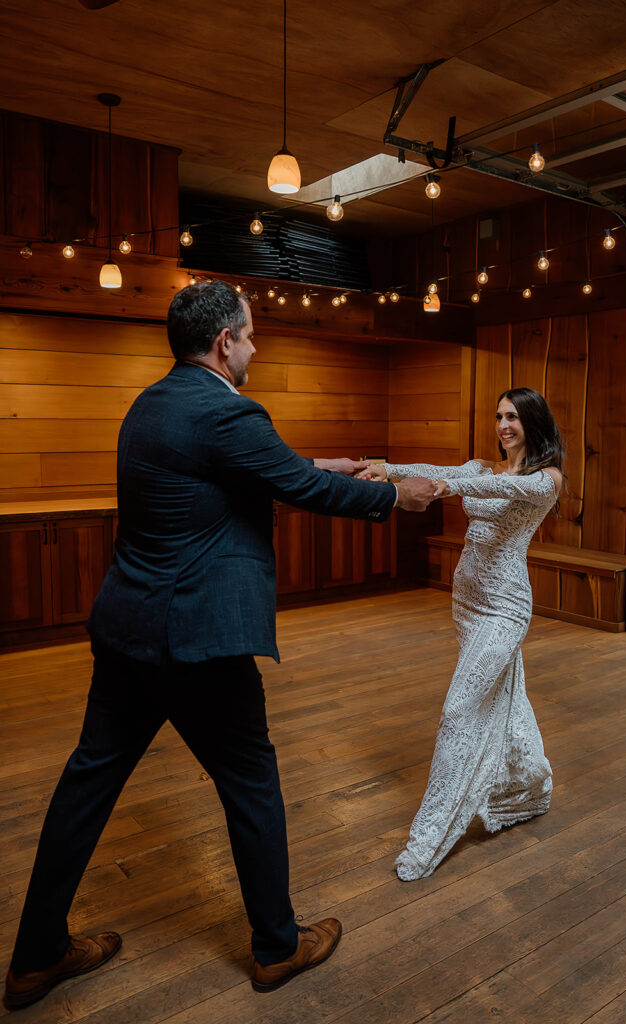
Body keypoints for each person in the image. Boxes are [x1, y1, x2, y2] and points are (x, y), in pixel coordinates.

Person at [3, 282, 436, 1010]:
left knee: (87, 787)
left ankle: (35, 957)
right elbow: (293, 483)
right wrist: (396, 497)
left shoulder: (152, 404)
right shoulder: (227, 410)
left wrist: (319, 466)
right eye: (251, 335)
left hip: (127, 629)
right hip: (195, 638)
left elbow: (250, 472)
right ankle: (276, 946)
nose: (255, 347)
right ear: (223, 343)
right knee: (251, 783)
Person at [358, 387, 564, 880]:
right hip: (467, 603)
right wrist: (385, 470)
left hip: (506, 607)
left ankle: (430, 836)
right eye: (498, 416)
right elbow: (444, 472)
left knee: (460, 708)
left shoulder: (546, 480)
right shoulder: (482, 467)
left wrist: (454, 489)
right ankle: (527, 788)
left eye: (512, 417)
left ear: (532, 421)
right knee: (505, 696)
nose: (503, 425)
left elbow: (503, 491)